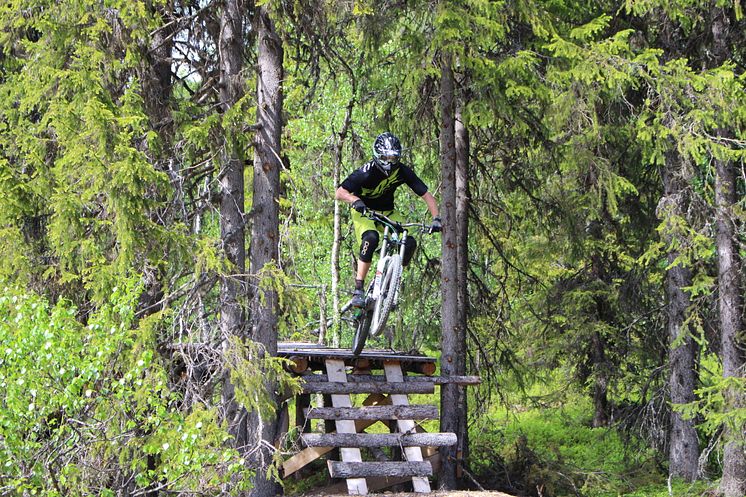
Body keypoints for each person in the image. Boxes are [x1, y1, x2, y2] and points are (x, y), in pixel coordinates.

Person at [335, 132, 441, 307]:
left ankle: (390, 283)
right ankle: (358, 289)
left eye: (394, 158)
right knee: (371, 238)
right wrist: (355, 201)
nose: (390, 162)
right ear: (378, 155)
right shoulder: (366, 172)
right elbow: (340, 192)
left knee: (409, 242)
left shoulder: (402, 171)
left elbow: (427, 195)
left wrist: (437, 218)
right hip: (365, 210)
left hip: (387, 211)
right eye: (386, 157)